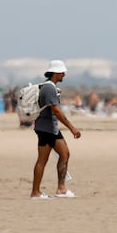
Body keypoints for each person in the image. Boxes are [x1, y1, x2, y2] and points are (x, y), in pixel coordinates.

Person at [30, 60, 81, 199]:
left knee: (64, 154)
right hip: (46, 129)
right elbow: (57, 111)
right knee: (42, 160)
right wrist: (72, 128)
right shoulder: (49, 88)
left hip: (50, 128)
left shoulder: (51, 87)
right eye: (62, 72)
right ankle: (35, 192)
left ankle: (61, 189)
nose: (64, 75)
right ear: (56, 73)